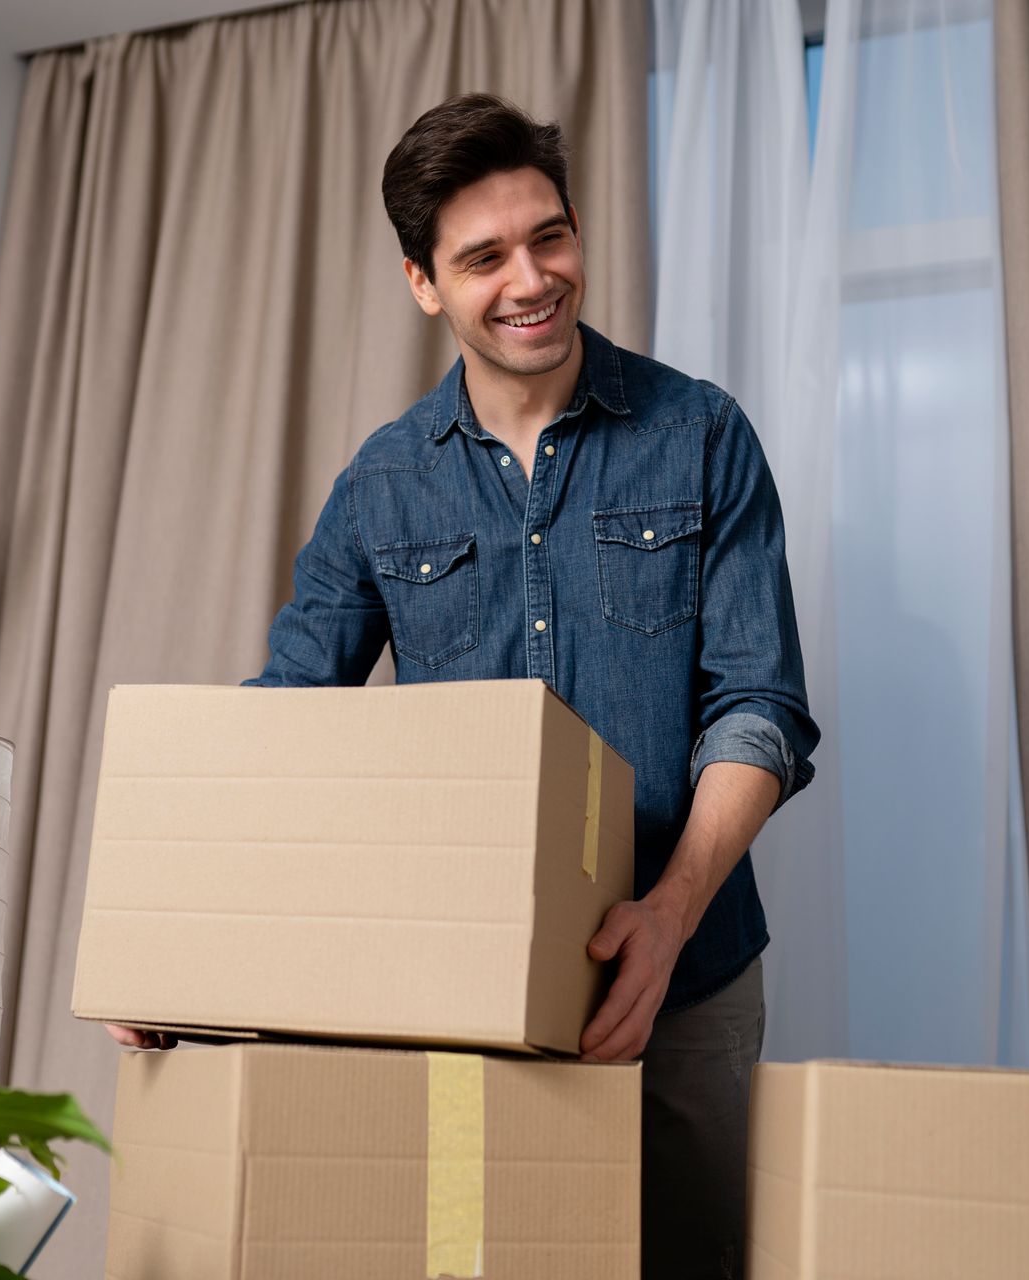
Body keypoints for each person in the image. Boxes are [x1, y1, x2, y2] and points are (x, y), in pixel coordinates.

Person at [108, 93, 817, 1280]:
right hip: (467, 997)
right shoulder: (381, 487)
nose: (531, 278)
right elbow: (289, 717)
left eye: (550, 237)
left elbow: (760, 705)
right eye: (484, 257)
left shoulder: (702, 434)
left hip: (686, 974)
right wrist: (182, 941)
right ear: (424, 284)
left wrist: (670, 910)